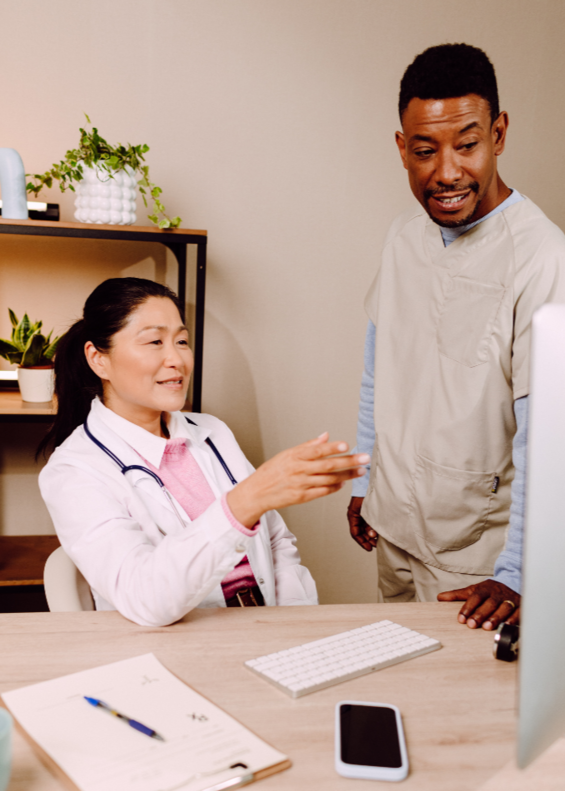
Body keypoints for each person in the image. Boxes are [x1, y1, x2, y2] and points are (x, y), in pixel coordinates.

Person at [347, 43, 565, 631]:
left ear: (498, 134)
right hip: (391, 527)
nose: (446, 172)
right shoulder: (403, 237)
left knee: (455, 715)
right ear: (402, 149)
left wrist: (517, 571)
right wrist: (366, 481)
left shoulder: (543, 258)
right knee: (394, 684)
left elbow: (549, 435)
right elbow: (379, 368)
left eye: (466, 144)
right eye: (425, 151)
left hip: (475, 562)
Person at [39, 278, 369, 627]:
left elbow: (277, 544)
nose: (177, 360)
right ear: (98, 359)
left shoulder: (213, 432)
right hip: (169, 653)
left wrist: (294, 629)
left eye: (181, 341)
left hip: (262, 634)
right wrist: (246, 501)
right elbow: (146, 599)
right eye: (154, 342)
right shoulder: (73, 471)